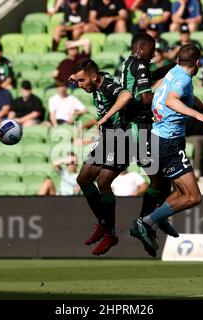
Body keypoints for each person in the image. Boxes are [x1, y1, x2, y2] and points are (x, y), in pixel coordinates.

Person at [129, 44, 203, 256]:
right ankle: (147, 222)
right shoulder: (183, 79)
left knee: (181, 192)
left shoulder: (175, 72)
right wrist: (199, 116)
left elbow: (185, 98)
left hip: (161, 140)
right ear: (198, 63)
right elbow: (172, 100)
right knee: (193, 197)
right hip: (167, 144)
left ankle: (154, 219)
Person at [104, 34, 179, 253]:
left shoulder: (129, 64)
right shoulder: (140, 65)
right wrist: (168, 100)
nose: (154, 54)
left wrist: (170, 67)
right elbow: (146, 98)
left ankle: (154, 217)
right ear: (142, 47)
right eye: (152, 49)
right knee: (157, 178)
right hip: (139, 128)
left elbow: (145, 80)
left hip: (132, 128)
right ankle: (144, 222)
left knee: (162, 178)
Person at [68, 59, 133, 256]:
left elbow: (126, 95)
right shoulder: (96, 78)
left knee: (104, 181)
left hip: (123, 136)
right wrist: (75, 76)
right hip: (107, 137)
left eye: (81, 81)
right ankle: (104, 225)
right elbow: (91, 71)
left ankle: (110, 233)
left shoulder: (107, 86)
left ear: (94, 77)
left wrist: (106, 116)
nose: (79, 85)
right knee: (83, 179)